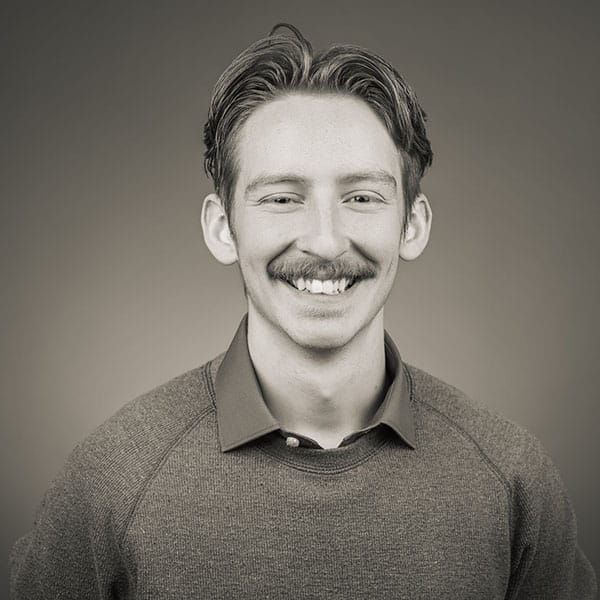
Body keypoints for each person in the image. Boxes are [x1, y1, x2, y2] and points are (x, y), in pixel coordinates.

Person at [10, 23, 596, 600]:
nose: (325, 241)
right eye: (282, 198)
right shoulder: (113, 479)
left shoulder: (511, 477)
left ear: (412, 225)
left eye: (361, 196)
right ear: (222, 228)